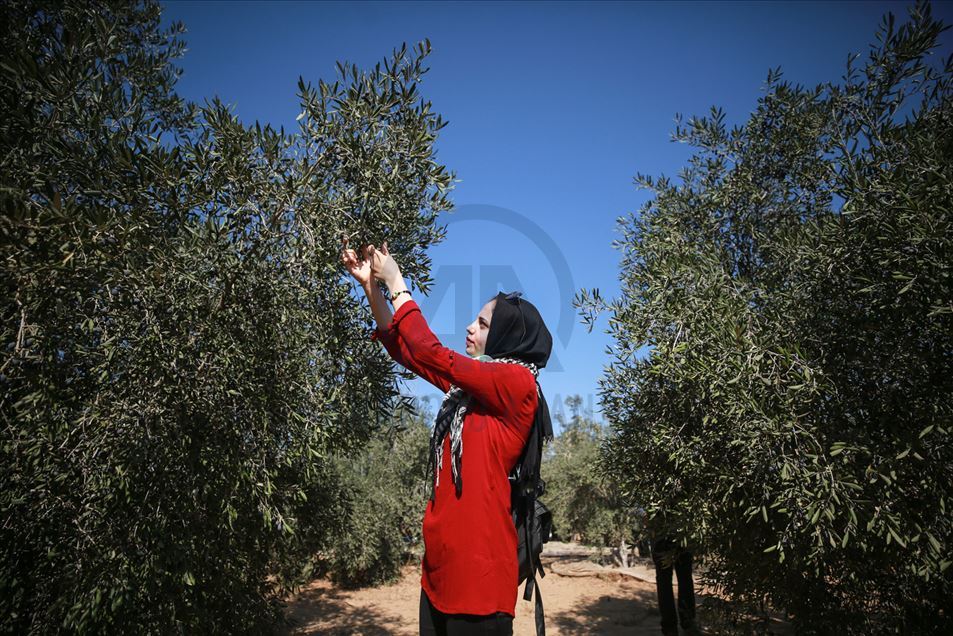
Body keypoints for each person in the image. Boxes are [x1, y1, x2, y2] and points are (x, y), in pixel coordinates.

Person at [341, 239, 554, 636]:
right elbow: (407, 351)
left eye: (484, 323)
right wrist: (373, 288)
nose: (470, 328)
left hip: (479, 582)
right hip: (439, 574)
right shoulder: (469, 394)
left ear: (508, 335)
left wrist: (398, 283)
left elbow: (431, 350)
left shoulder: (516, 384)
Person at [651, 535, 701, 636]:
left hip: (669, 534)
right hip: (674, 535)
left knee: (667, 582)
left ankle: (675, 627)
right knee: (680, 580)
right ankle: (684, 625)